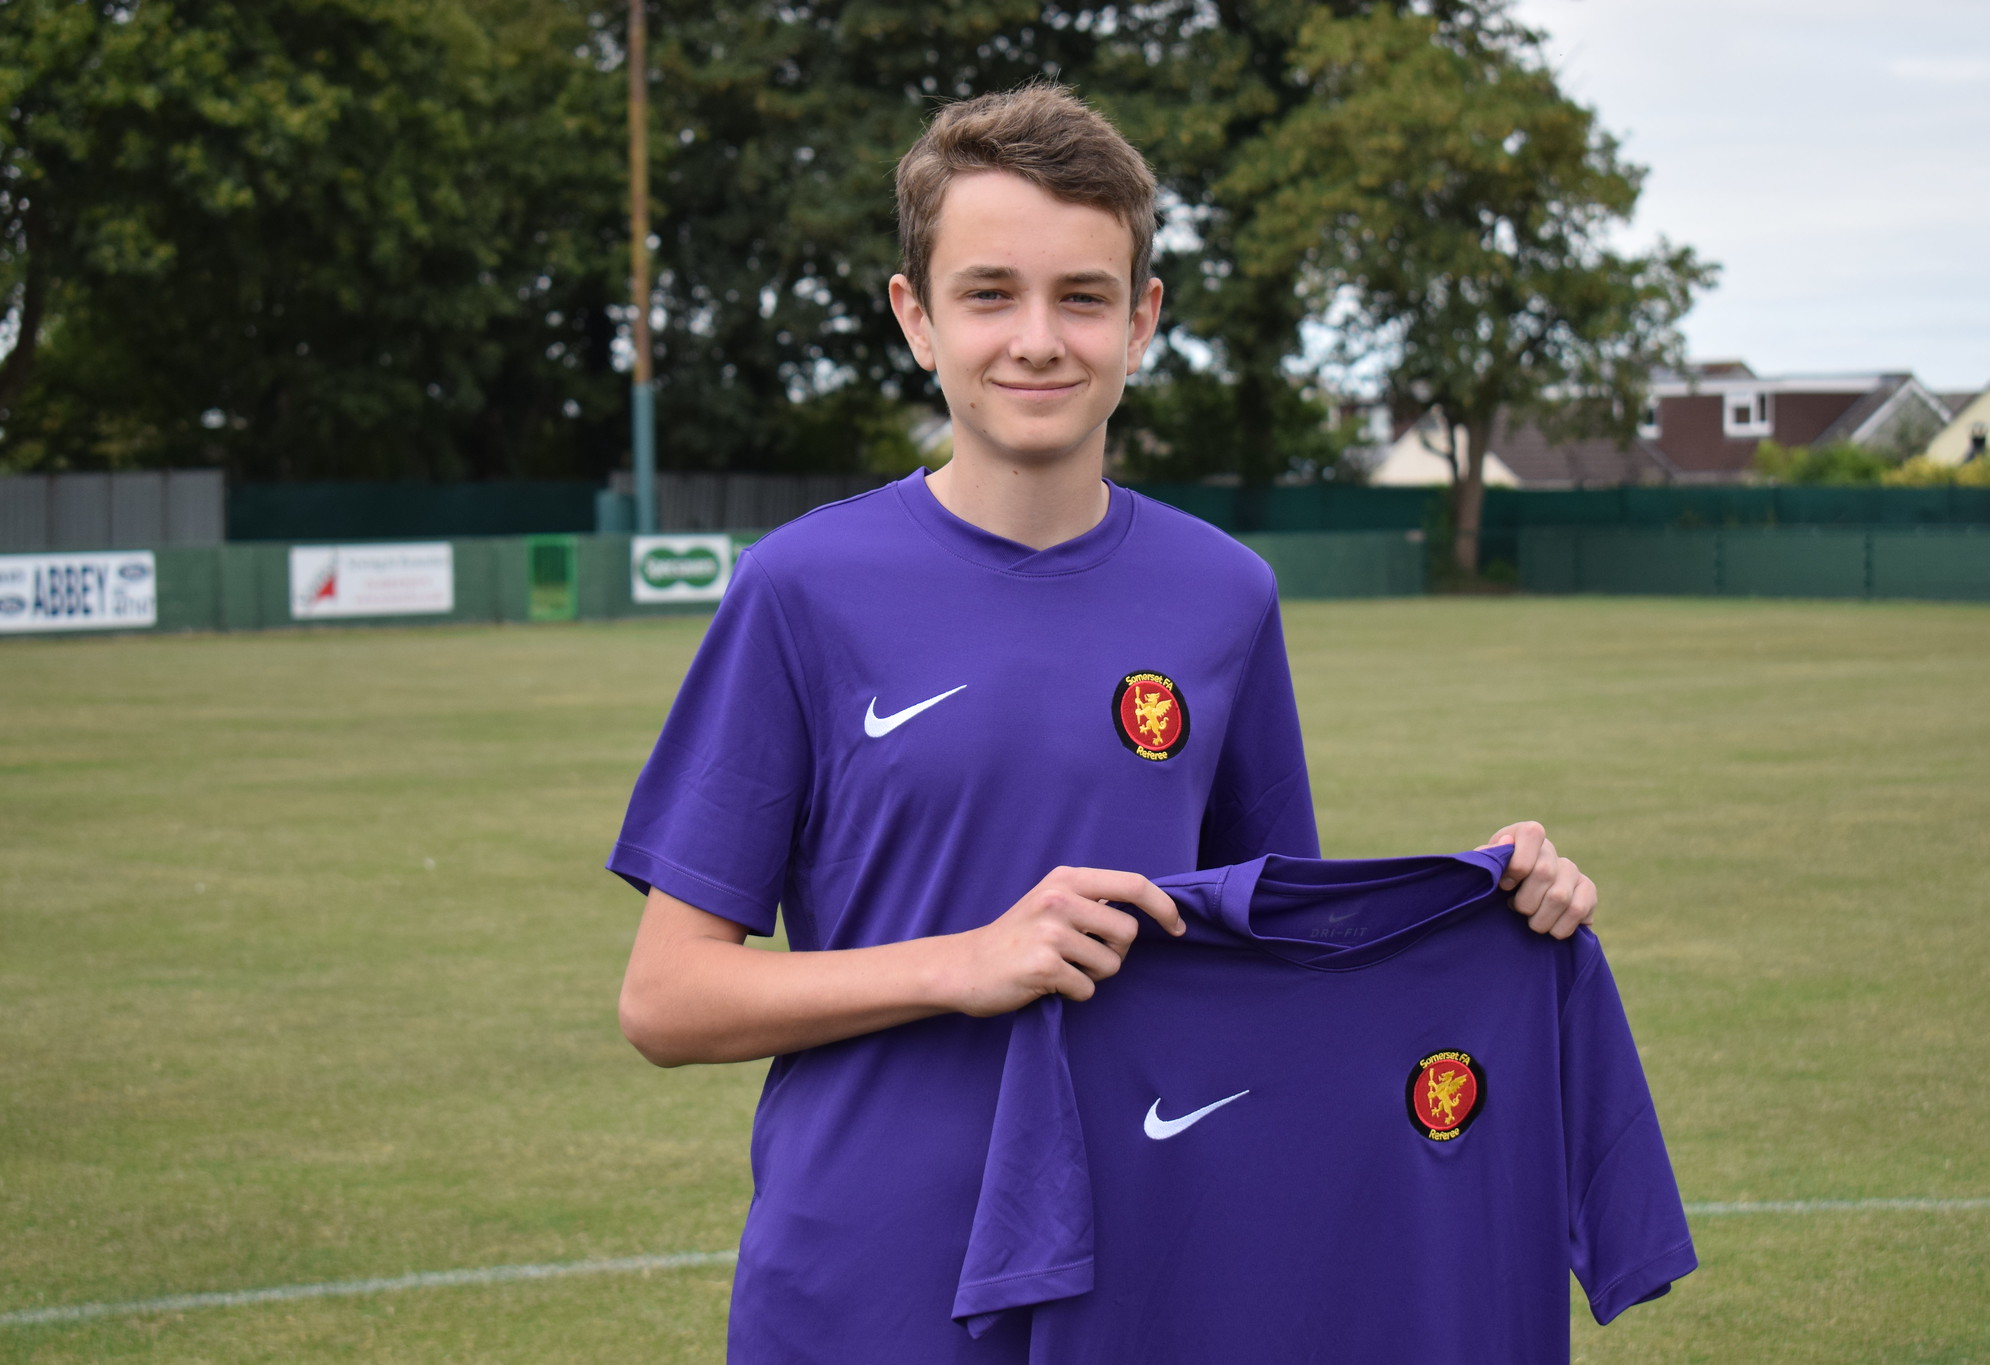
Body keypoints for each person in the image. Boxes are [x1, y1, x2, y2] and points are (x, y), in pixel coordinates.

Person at [610, 84, 1598, 1365]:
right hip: (866, 1271)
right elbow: (666, 998)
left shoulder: (1223, 595)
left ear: (1140, 323)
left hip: (1156, 1264)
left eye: (1082, 297)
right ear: (915, 318)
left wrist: (1485, 899)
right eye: (987, 294)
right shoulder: (799, 588)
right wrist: (961, 963)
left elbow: (1274, 951)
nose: (1038, 339)